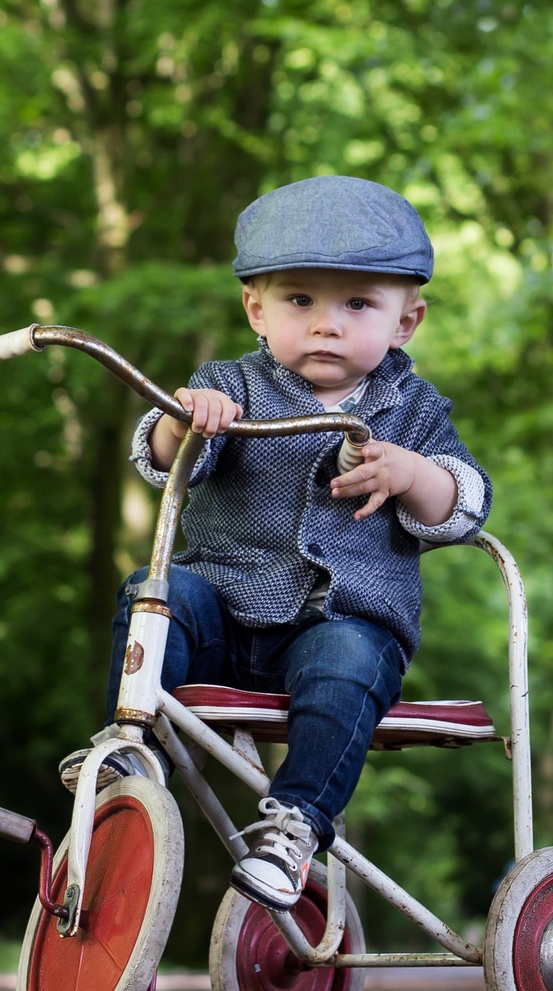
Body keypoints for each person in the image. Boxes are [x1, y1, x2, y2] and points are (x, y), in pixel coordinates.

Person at [102, 175, 491, 911]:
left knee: (351, 653)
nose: (326, 324)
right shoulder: (227, 385)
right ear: (256, 306)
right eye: (300, 300)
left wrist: (412, 473)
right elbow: (158, 460)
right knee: (156, 591)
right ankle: (129, 757)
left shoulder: (413, 408)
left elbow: (465, 503)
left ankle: (294, 823)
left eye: (357, 304)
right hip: (222, 618)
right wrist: (185, 421)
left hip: (339, 628)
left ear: (406, 321)